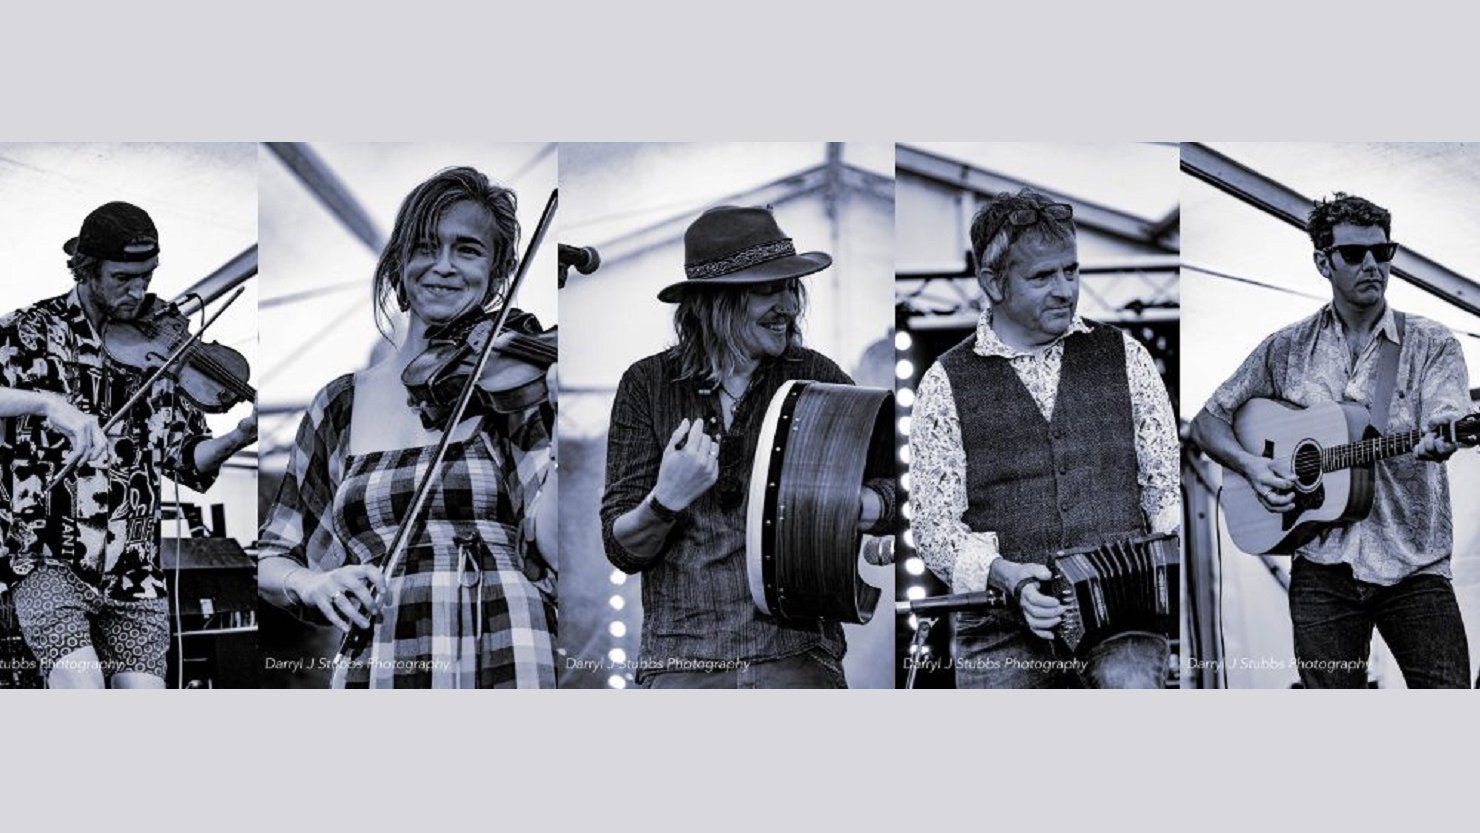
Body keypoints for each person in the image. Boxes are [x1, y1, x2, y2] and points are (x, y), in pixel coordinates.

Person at [257, 167, 558, 688]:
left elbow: (553, 544)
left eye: (468, 250)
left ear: (497, 270)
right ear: (400, 262)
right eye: (425, 247)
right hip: (383, 654)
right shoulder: (339, 404)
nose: (442, 266)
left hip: (505, 645)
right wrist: (314, 584)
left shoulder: (513, 391)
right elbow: (270, 557)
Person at [601, 205, 895, 689]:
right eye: (768, 289)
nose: (788, 305)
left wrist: (864, 504)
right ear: (717, 300)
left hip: (799, 658)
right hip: (682, 664)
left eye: (790, 287)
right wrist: (666, 499)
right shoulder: (646, 385)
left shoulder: (817, 378)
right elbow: (621, 548)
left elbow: (900, 488)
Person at [1189, 192, 1471, 688]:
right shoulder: (1286, 348)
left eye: (1382, 252)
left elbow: (1448, 411)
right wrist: (1254, 467)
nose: (1372, 265)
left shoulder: (1432, 342)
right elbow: (1208, 421)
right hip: (1322, 565)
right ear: (1323, 261)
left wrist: (1442, 436)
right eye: (1354, 254)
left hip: (1415, 563)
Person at [910, 188, 1181, 688]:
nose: (1065, 289)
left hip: (1123, 623)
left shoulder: (1127, 356)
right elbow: (932, 527)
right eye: (1042, 276)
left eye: (1071, 271)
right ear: (993, 282)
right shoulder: (944, 381)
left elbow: (1165, 492)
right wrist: (1005, 575)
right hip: (1000, 631)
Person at [0, 201, 257, 688]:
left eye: (147, 276)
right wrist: (46, 405)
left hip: (135, 570)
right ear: (88, 270)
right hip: (48, 556)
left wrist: (238, 437)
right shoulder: (27, 330)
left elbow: (187, 459)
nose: (139, 292)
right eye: (123, 278)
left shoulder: (165, 348)